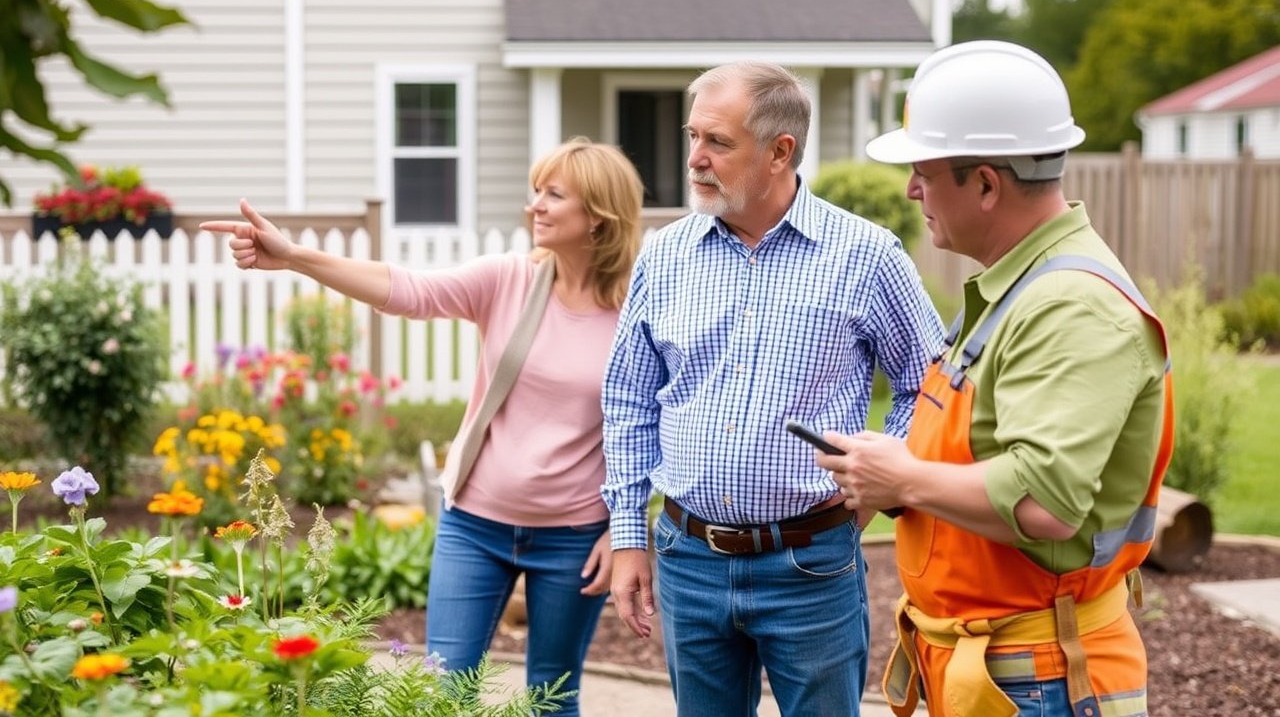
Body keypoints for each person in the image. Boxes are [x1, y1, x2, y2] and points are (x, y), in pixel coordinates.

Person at [202, 137, 646, 717]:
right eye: (536, 189)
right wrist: (294, 257)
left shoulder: (636, 308)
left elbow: (647, 426)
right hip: (476, 524)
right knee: (441, 691)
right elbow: (408, 291)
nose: (535, 204)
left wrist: (624, 528)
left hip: (574, 538)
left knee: (550, 699)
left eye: (554, 194)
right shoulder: (508, 279)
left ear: (598, 216)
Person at [818, 41, 1174, 717]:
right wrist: (892, 472)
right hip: (1005, 671)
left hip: (1041, 681)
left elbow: (1045, 503)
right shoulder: (1020, 289)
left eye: (924, 171)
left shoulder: (1071, 305)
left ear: (985, 183)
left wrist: (903, 479)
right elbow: (979, 456)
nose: (911, 190)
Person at [602, 61, 945, 715]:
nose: (695, 158)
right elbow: (627, 400)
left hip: (811, 566)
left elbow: (928, 387)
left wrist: (875, 478)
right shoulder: (664, 254)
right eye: (693, 136)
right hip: (687, 559)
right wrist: (627, 537)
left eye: (718, 143)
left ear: (780, 151)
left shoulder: (865, 256)